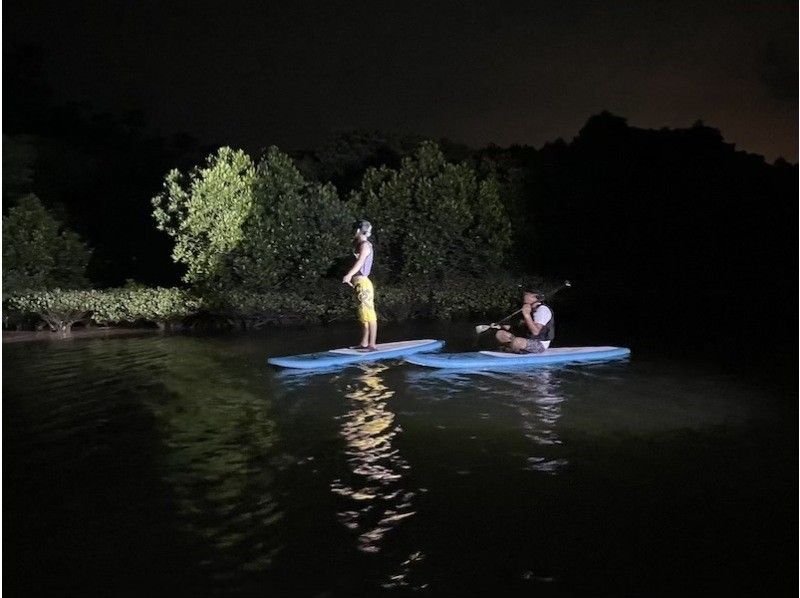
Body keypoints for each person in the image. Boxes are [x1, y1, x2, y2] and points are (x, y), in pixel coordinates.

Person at [342, 220, 378, 351]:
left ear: (358, 230)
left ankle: (372, 344)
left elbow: (360, 262)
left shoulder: (365, 245)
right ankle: (364, 343)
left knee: (368, 312)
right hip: (359, 284)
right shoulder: (359, 245)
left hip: (363, 283)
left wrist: (349, 275)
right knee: (362, 313)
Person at [495, 287, 554, 353]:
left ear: (535, 297)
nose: (524, 296)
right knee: (500, 334)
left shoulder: (542, 310)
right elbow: (518, 326)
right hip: (525, 339)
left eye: (527, 294)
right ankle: (513, 348)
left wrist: (527, 315)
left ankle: (511, 349)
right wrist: (501, 326)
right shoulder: (527, 308)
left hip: (539, 344)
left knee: (517, 342)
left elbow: (535, 332)